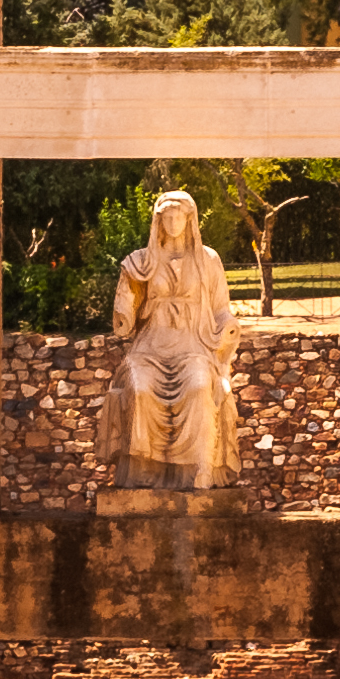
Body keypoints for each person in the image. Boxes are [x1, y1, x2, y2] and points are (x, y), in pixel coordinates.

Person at [98, 190, 241, 490]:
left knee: (199, 388)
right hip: (150, 349)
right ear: (158, 221)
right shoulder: (142, 262)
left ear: (190, 220)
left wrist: (228, 326)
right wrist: (127, 292)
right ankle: (141, 471)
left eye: (179, 217)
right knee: (140, 389)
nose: (173, 222)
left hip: (193, 348)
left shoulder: (208, 260)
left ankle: (199, 469)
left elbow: (221, 309)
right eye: (167, 217)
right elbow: (126, 316)